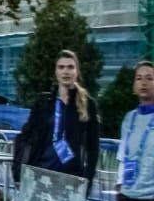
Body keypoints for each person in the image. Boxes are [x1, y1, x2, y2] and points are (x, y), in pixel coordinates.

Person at [14, 51, 104, 187]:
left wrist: (87, 181)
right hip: (39, 174)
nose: (65, 71)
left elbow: (93, 147)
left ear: (77, 71)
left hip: (70, 179)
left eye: (70, 67)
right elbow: (27, 135)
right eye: (61, 67)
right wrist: (18, 171)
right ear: (56, 72)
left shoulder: (88, 104)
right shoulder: (43, 102)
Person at [116, 60, 154, 201]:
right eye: (139, 78)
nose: (144, 83)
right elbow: (123, 154)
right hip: (128, 198)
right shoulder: (128, 118)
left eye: (149, 78)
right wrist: (120, 186)